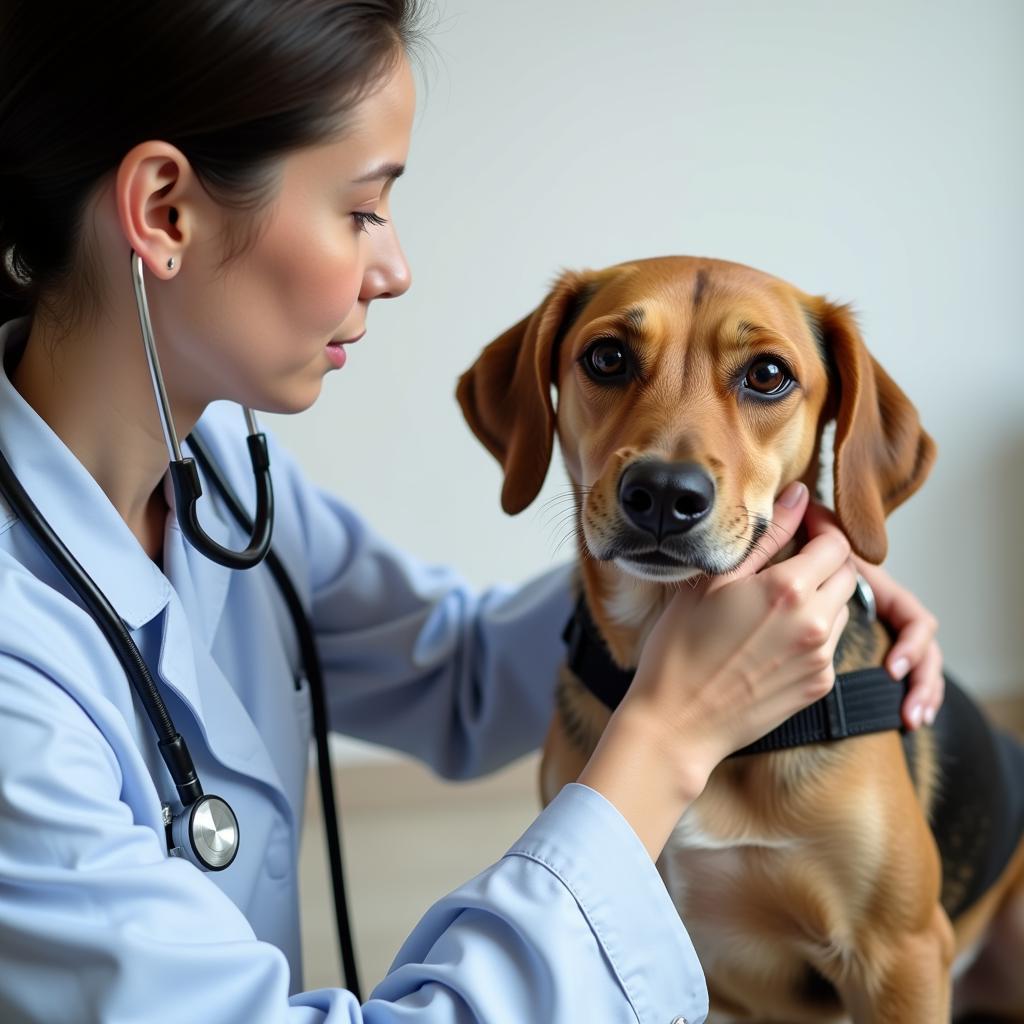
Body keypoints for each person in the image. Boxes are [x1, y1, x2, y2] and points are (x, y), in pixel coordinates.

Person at [0, 2, 943, 1021]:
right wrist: (669, 731)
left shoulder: (216, 473)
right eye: (362, 209)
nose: (395, 269)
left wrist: (734, 598)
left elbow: (451, 671)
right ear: (165, 210)